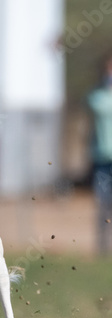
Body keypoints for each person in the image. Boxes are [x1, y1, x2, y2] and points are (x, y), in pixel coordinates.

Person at [87, 54, 112, 255]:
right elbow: (100, 106)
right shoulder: (98, 97)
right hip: (103, 159)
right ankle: (102, 247)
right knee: (103, 204)